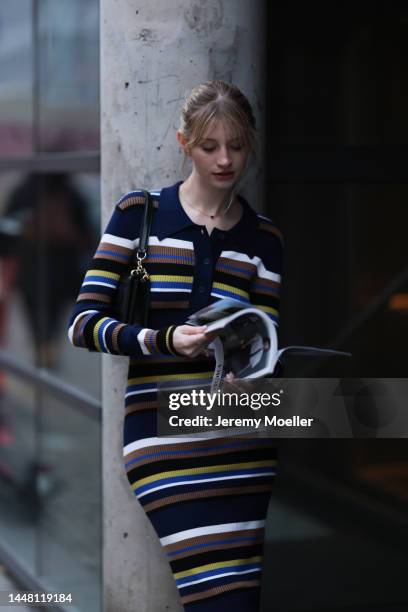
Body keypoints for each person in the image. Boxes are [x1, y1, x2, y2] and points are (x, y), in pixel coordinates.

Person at [68, 80, 283, 611]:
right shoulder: (139, 214)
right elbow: (82, 323)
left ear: (251, 141)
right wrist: (163, 340)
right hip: (162, 439)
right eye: (211, 146)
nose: (226, 159)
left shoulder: (265, 237)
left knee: (237, 598)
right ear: (184, 142)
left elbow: (267, 333)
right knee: (213, 598)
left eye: (236, 145)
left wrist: (254, 367)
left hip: (242, 441)